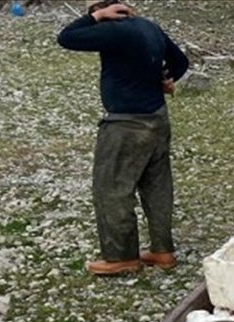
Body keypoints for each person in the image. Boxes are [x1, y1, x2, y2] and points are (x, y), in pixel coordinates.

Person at [58, 0, 189, 276]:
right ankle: (163, 251)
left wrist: (94, 17)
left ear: (106, 12)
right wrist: (166, 79)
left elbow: (67, 38)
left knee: (112, 189)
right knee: (157, 186)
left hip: (126, 123)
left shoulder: (113, 30)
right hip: (157, 118)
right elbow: (180, 61)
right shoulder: (148, 27)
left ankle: (121, 257)